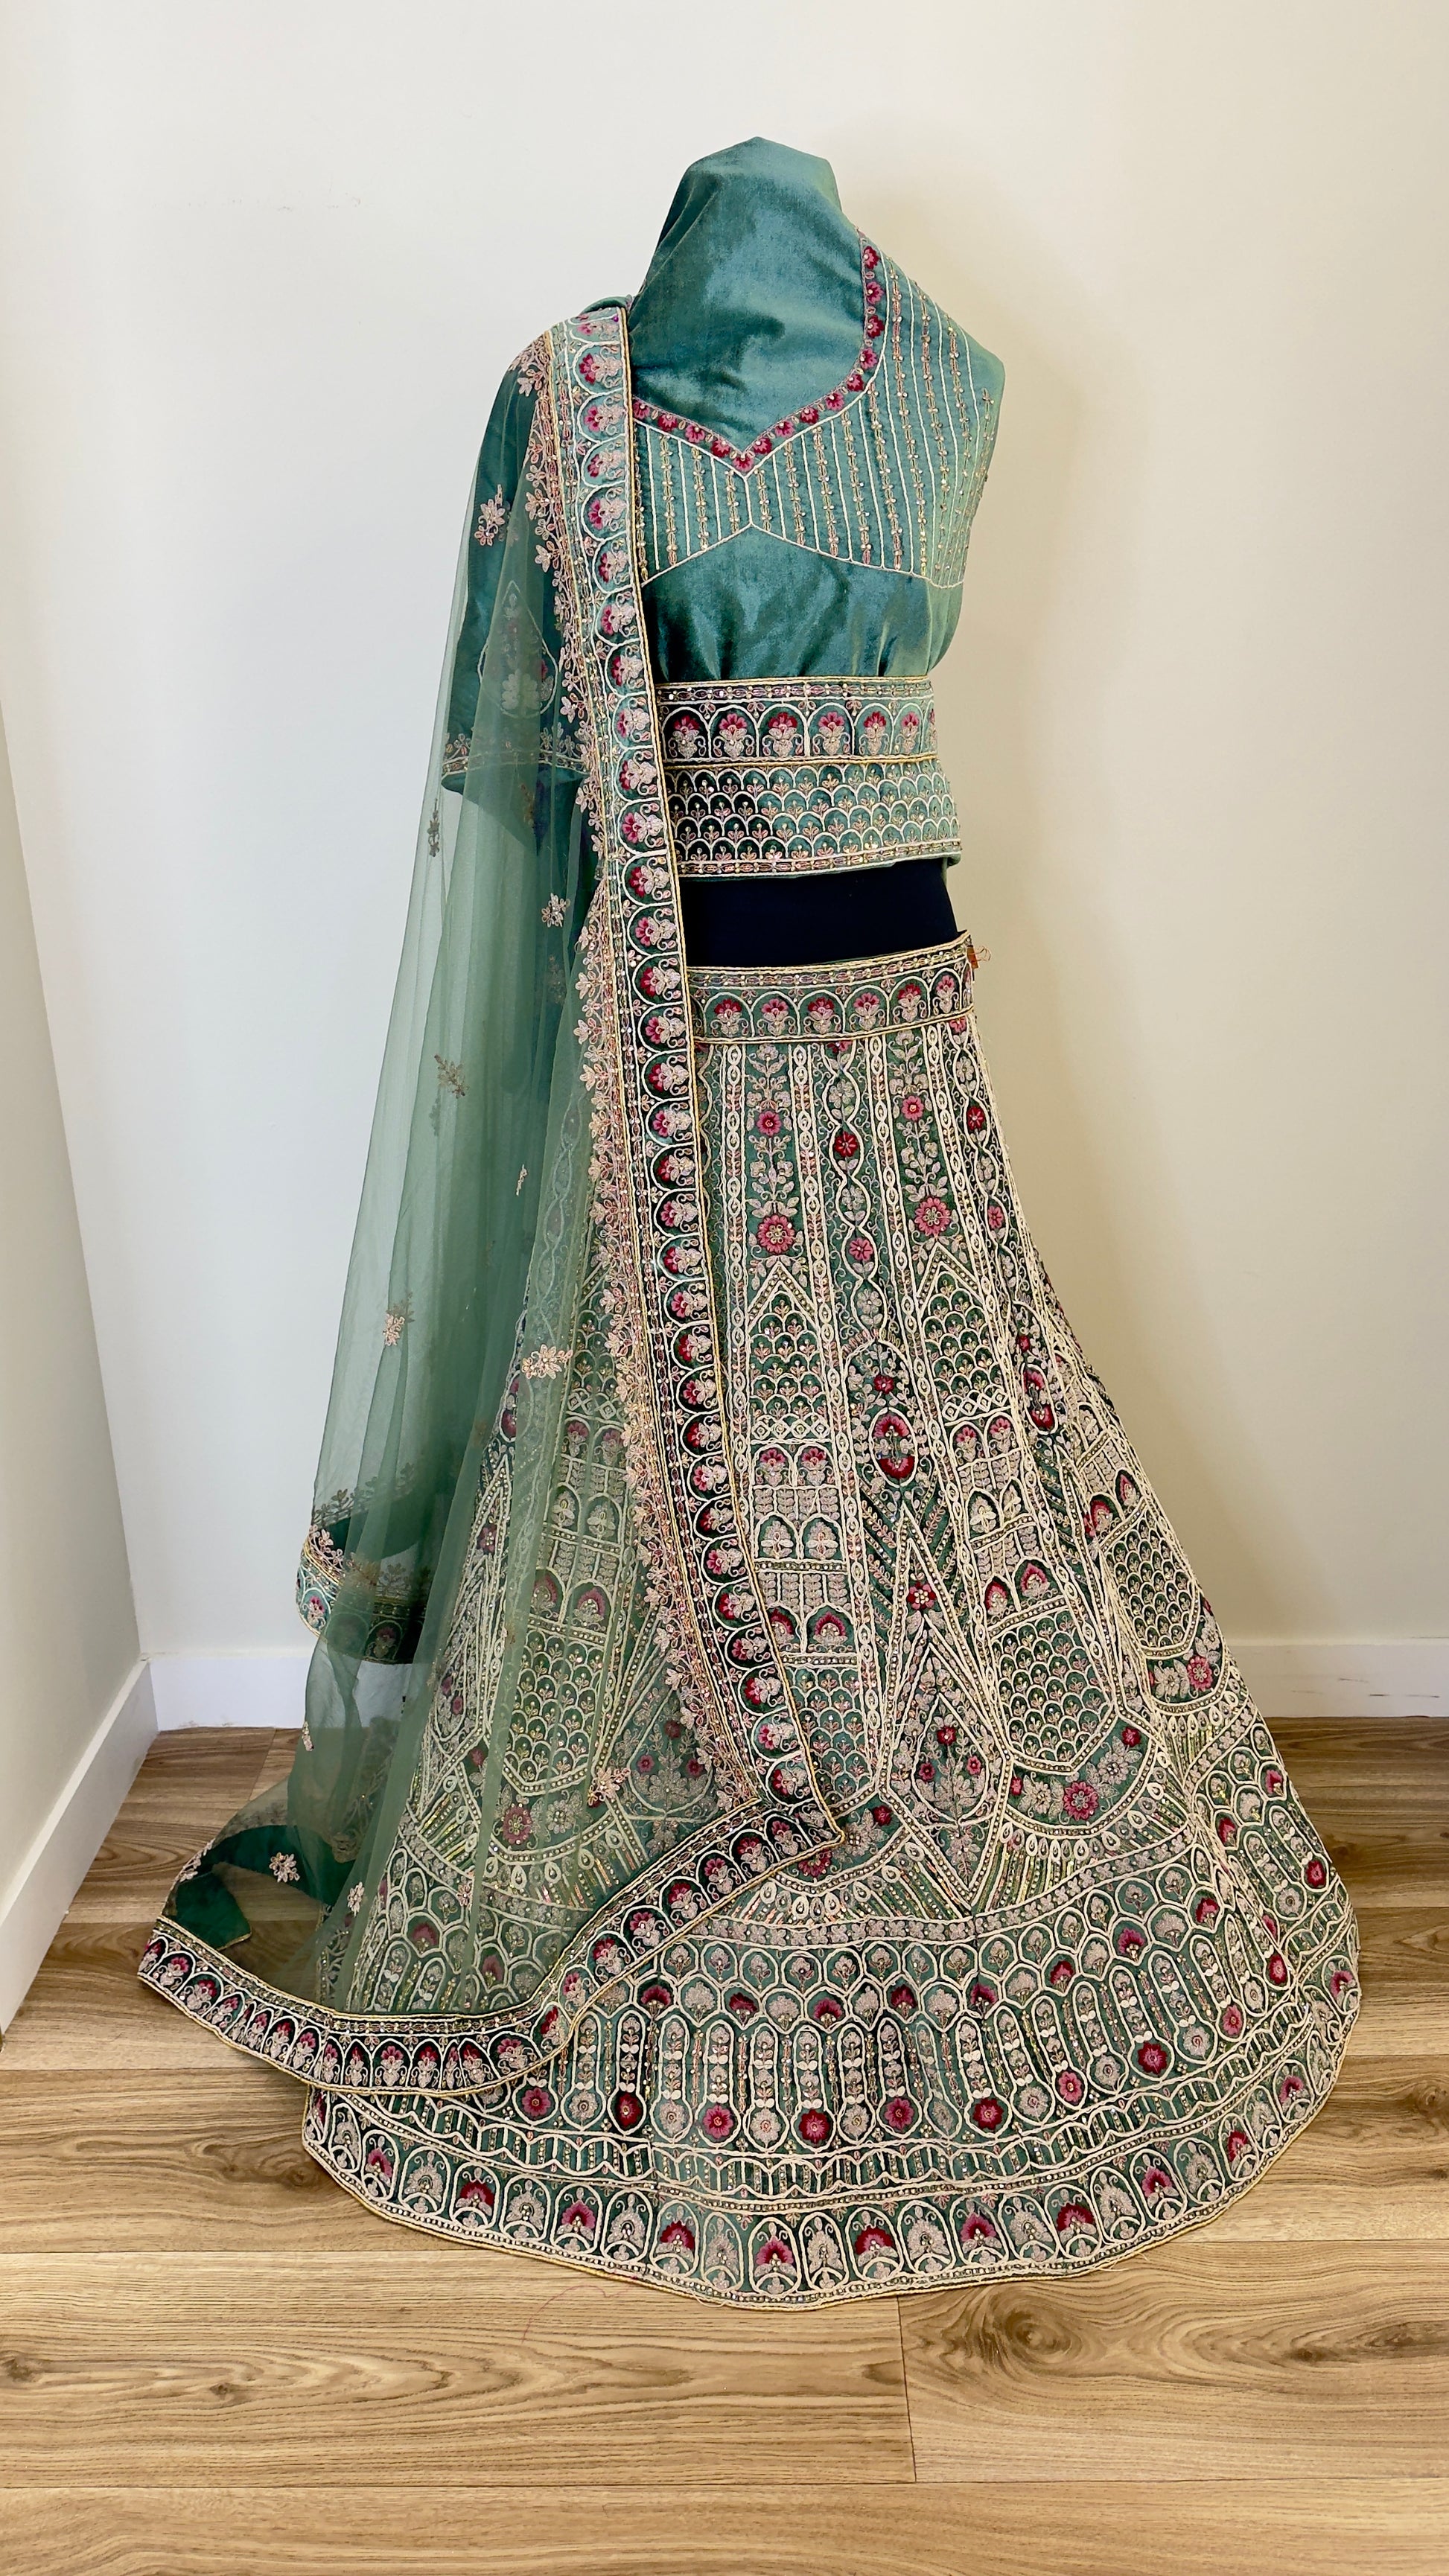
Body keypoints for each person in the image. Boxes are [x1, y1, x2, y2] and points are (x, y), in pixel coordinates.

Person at [141, 138, 1358, 2306]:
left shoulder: (943, 379)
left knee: (938, 1422)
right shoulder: (573, 399)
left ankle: (950, 1827)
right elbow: (518, 761)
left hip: (890, 1040)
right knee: (651, 1429)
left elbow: (516, 764)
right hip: (672, 1043)